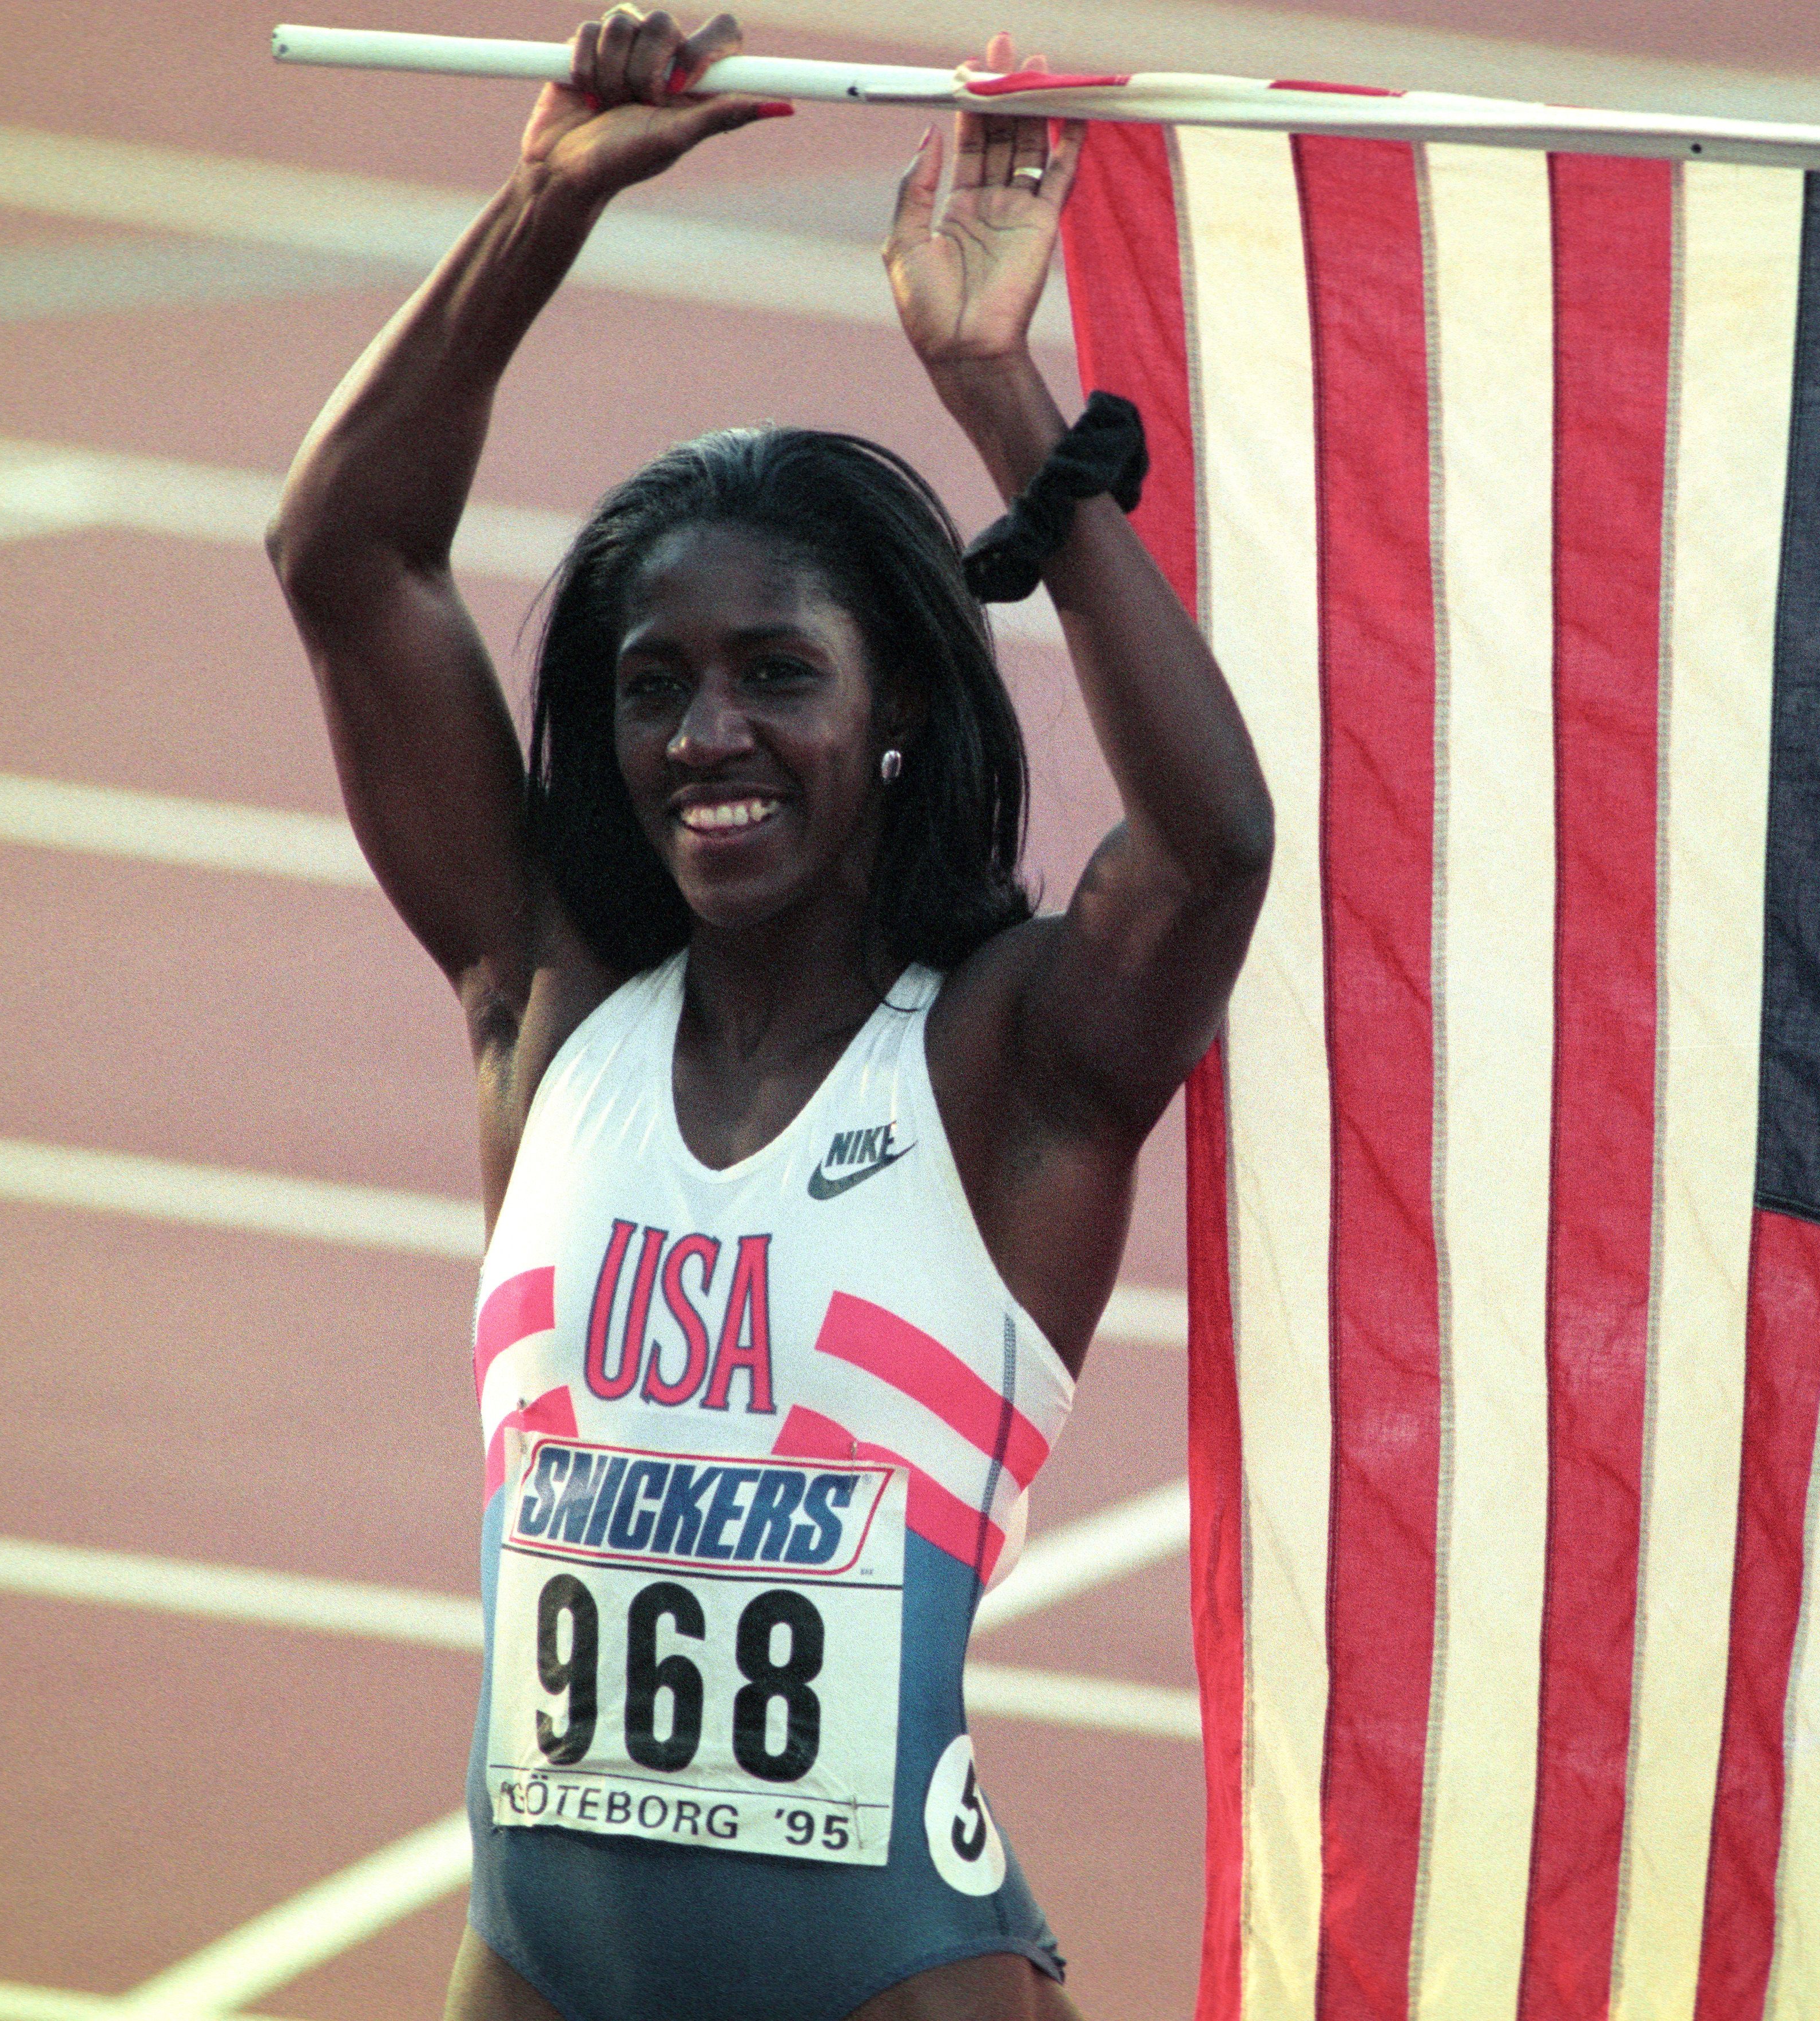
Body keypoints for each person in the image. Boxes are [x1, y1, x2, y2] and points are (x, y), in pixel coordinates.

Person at [266, 10, 1270, 2017]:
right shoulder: (552, 1020)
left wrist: (1001, 400)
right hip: (539, 1970)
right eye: (651, 685)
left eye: (774, 676)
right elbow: (343, 553)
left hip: (890, 1981)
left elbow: (1213, 844)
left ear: (897, 707)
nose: (705, 736)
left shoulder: (1005, 1069)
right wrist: (538, 203)